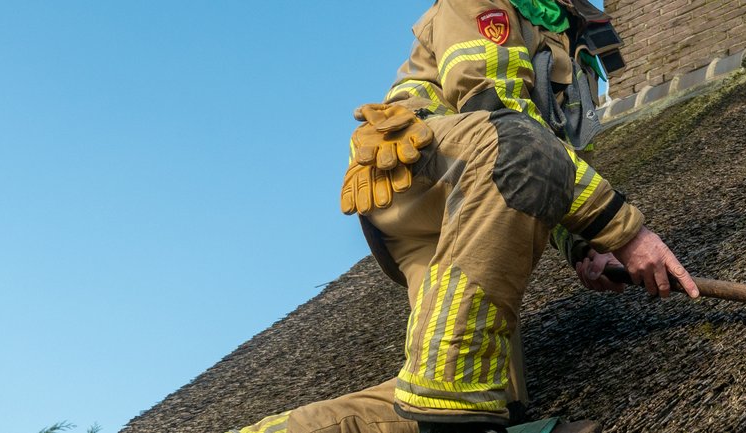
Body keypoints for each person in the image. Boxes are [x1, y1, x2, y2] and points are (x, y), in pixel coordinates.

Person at [236, 1, 697, 432]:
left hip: (474, 198)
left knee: (485, 393)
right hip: (415, 169)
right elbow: (503, 124)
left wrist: (584, 246)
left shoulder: (570, 34)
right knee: (454, 396)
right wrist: (625, 232)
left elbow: (551, 164)